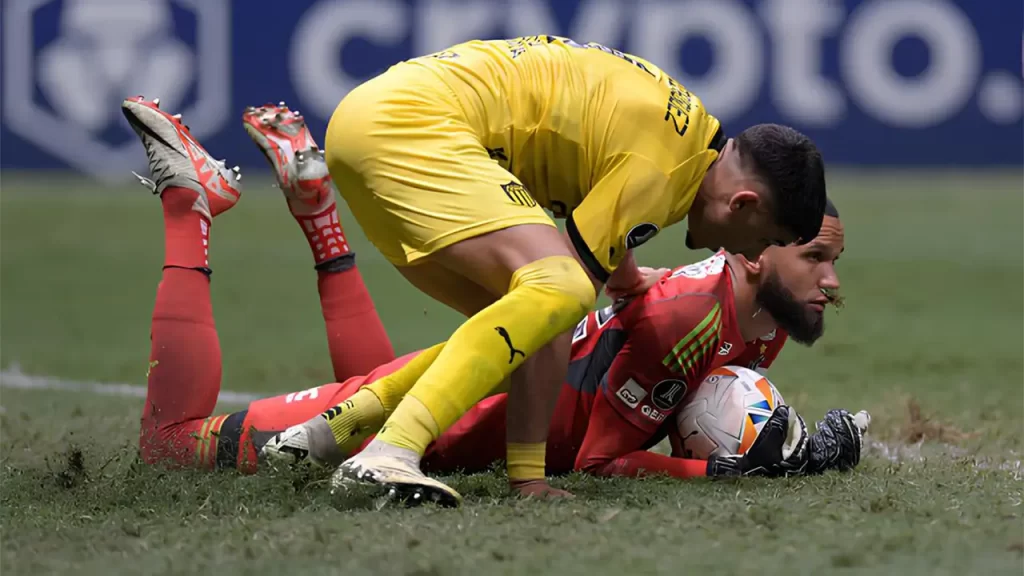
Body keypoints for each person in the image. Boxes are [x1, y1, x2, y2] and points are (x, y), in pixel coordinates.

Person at [122, 97, 860, 486]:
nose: (830, 281)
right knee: (171, 447)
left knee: (370, 383)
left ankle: (320, 218)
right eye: (815, 257)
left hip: (466, 384)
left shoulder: (754, 320)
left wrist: (777, 443)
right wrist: (724, 470)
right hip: (454, 412)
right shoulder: (692, 313)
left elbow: (641, 336)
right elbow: (605, 457)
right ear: (757, 246)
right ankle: (189, 208)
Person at [311, 36, 829, 505]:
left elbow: (596, 187)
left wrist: (624, 280)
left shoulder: (684, 139)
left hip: (375, 124)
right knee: (558, 292)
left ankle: (338, 426)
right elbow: (571, 282)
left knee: (525, 321)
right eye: (766, 241)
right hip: (412, 127)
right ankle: (390, 452)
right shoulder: (664, 172)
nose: (753, 256)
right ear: (742, 204)